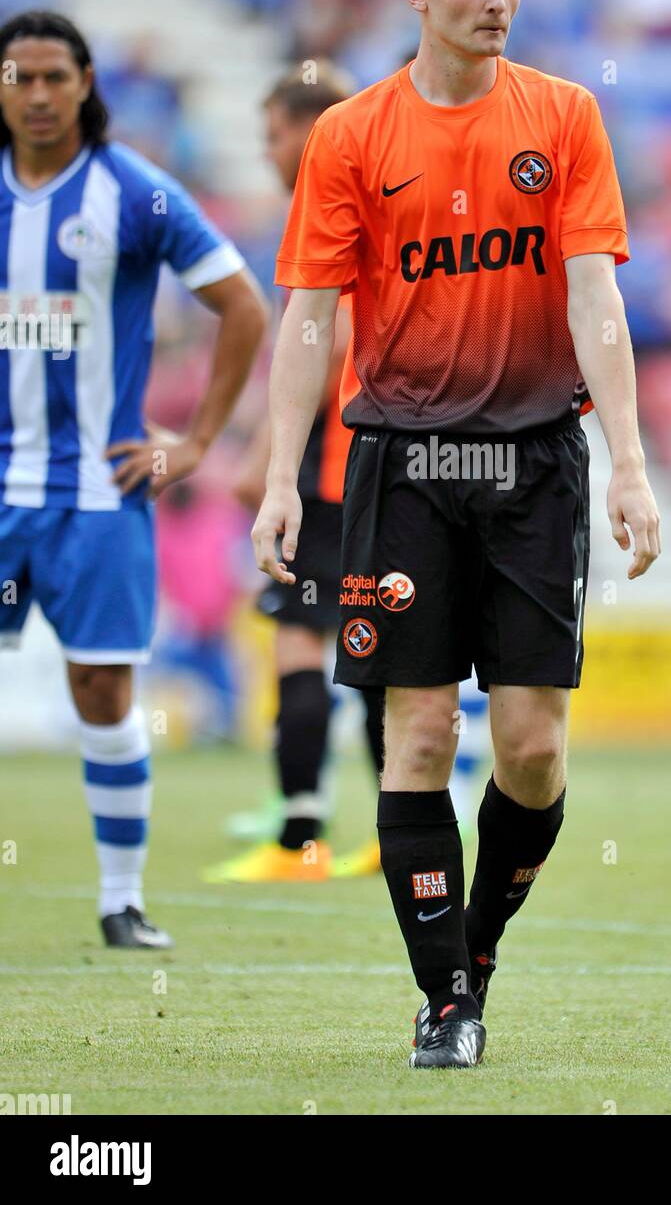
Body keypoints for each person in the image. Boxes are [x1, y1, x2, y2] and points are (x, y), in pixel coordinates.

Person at [252, 0, 660, 1068]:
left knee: (530, 750)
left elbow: (596, 301)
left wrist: (627, 462)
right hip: (402, 465)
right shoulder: (349, 136)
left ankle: (471, 957)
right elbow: (309, 320)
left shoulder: (566, 118)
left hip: (535, 462)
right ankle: (444, 1002)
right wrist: (283, 478)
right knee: (416, 735)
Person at [0, 11, 268, 948]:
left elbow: (242, 305)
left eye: (54, 78)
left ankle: (121, 900)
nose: (37, 95)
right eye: (19, 77)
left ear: (85, 85)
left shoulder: (134, 193)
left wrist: (194, 444)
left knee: (104, 690)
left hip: (99, 495)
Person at [206, 62, 387, 883]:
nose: (267, 150)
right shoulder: (384, 185)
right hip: (385, 457)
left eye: (272, 135)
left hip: (337, 463)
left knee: (300, 641)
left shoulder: (336, 199)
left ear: (306, 132)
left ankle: (300, 841)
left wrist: (264, 460)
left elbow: (335, 336)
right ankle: (398, 827)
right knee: (384, 648)